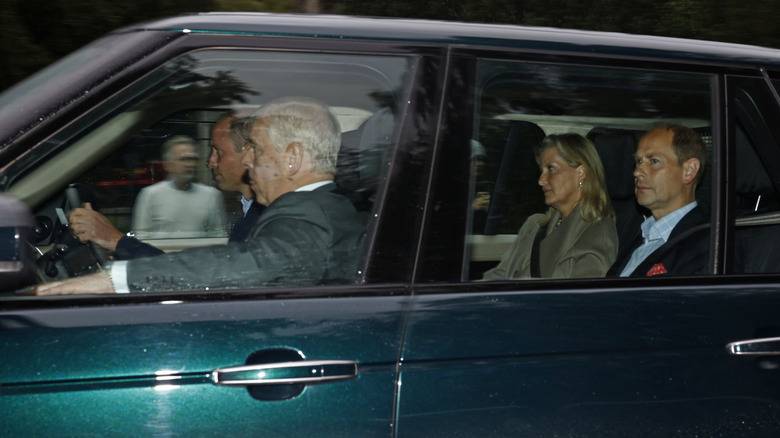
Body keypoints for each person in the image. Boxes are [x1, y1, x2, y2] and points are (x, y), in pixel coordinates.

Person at [34, 97, 367, 295]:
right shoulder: (323, 207)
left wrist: (115, 280)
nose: (248, 160)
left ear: (292, 158)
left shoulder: (308, 214)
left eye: (257, 149)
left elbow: (252, 265)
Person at [68, 112, 264, 259]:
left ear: (247, 155)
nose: (210, 162)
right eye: (183, 159)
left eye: (218, 152)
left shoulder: (263, 219)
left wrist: (116, 241)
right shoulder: (249, 214)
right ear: (168, 164)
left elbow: (210, 275)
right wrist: (120, 247)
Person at [483, 133, 617, 279]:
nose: (541, 181)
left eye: (551, 169)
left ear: (581, 173)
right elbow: (498, 277)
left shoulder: (597, 235)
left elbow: (579, 299)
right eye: (542, 171)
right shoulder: (534, 225)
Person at [608, 124, 709, 277]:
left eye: (654, 161)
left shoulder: (708, 245)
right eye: (638, 161)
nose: (637, 172)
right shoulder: (638, 232)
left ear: (689, 171)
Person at [131, 136, 226, 239]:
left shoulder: (211, 195)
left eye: (193, 159)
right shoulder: (150, 195)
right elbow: (140, 238)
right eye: (183, 159)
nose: (190, 164)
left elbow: (218, 236)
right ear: (167, 165)